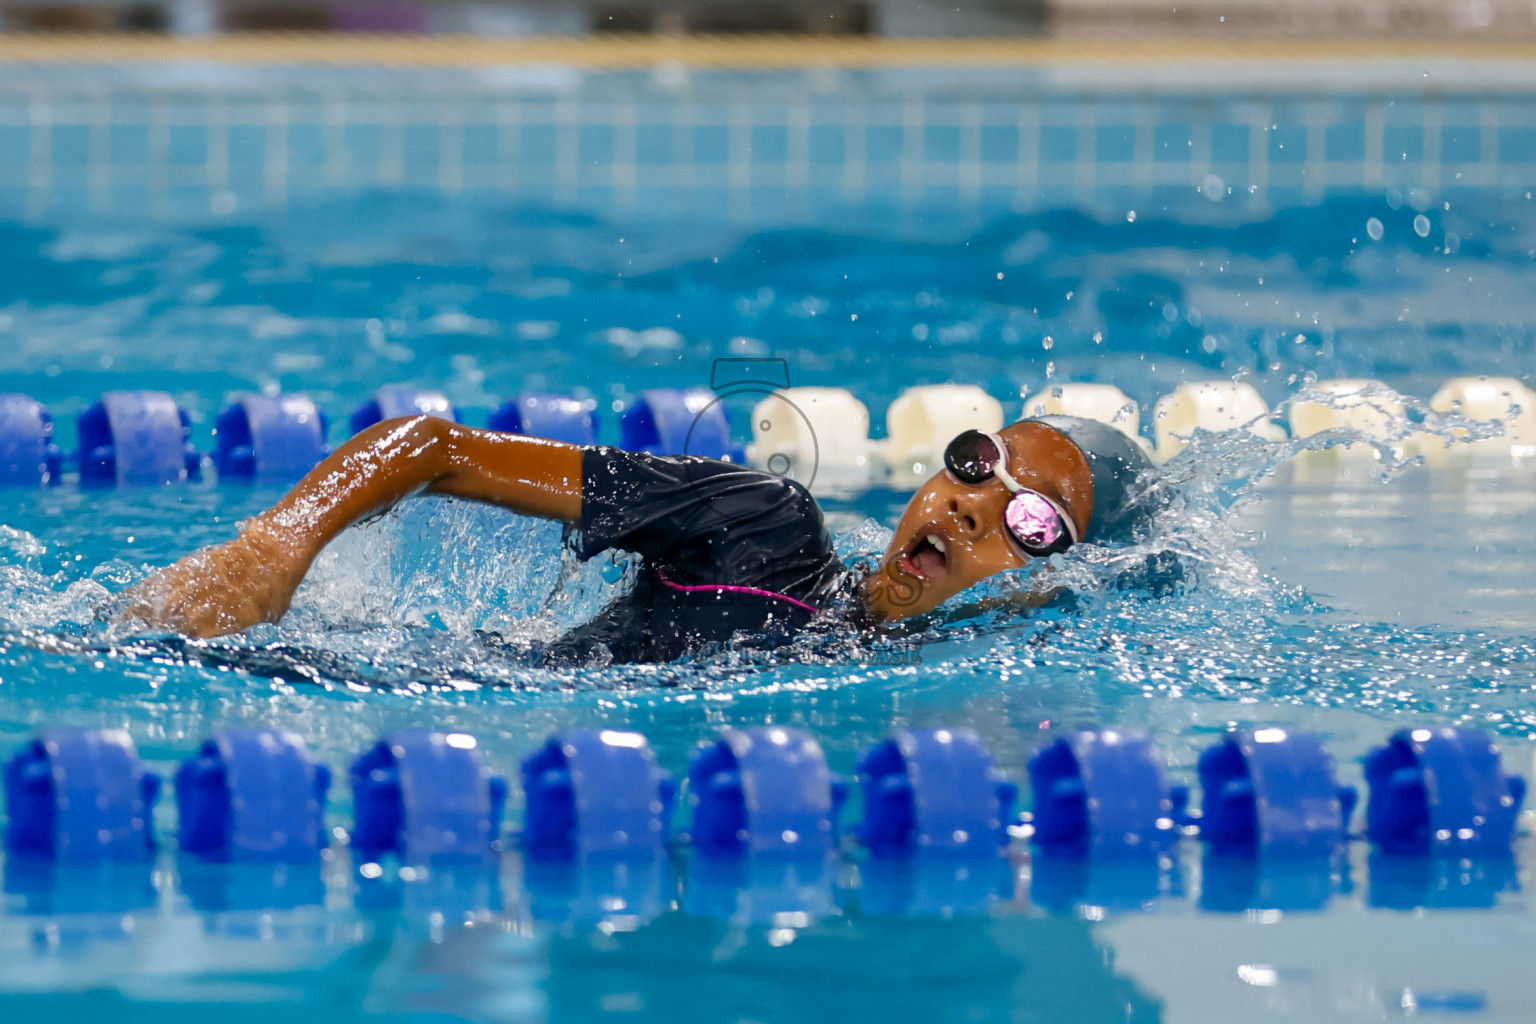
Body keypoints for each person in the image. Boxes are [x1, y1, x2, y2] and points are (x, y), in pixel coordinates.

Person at [123, 412, 1152, 663]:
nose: (975, 505)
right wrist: (268, 552)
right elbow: (434, 447)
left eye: (1031, 521)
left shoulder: (969, 656)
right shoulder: (768, 526)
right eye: (976, 462)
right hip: (382, 682)